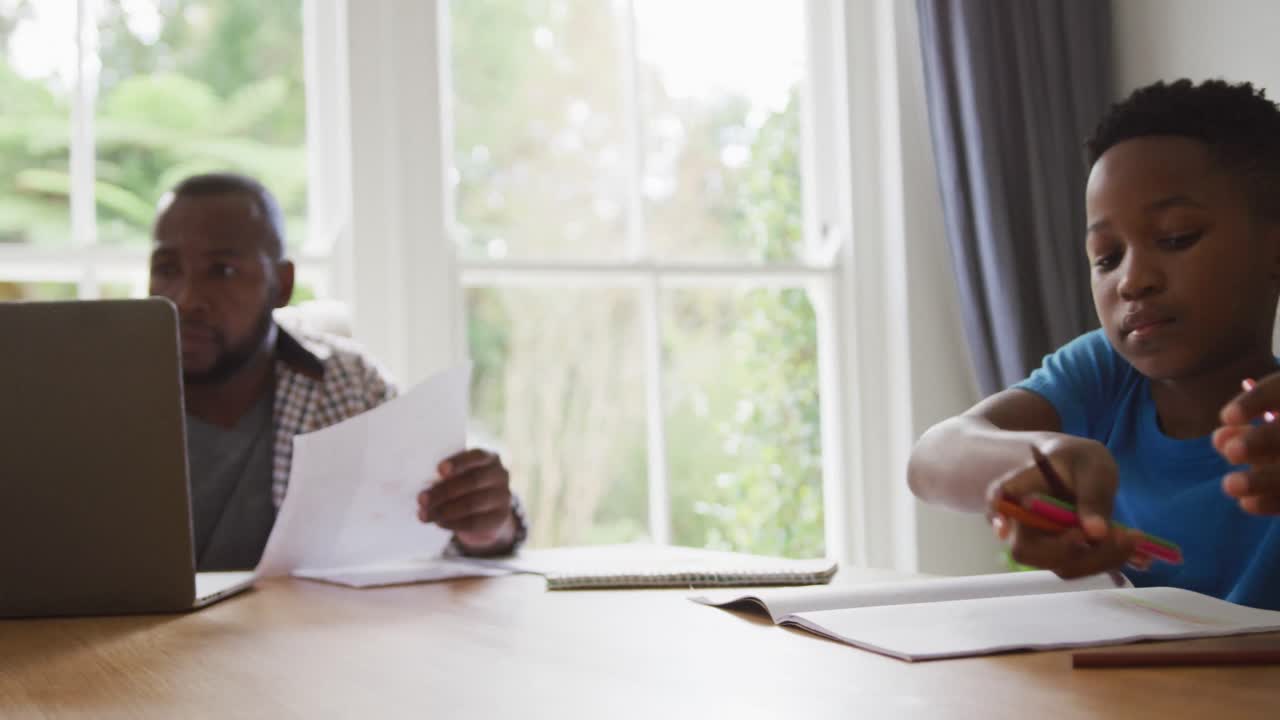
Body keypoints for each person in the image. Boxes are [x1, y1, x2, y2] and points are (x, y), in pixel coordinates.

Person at [907, 79, 1280, 610]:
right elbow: (931, 460)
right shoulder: (1107, 376)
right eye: (1106, 257)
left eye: (1175, 237)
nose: (1132, 281)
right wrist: (1048, 456)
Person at [149, 172, 526, 570]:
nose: (186, 300)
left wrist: (485, 524)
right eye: (167, 269)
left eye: (222, 271)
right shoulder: (113, 395)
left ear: (281, 285)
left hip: (306, 613)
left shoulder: (348, 384)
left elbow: (437, 539)